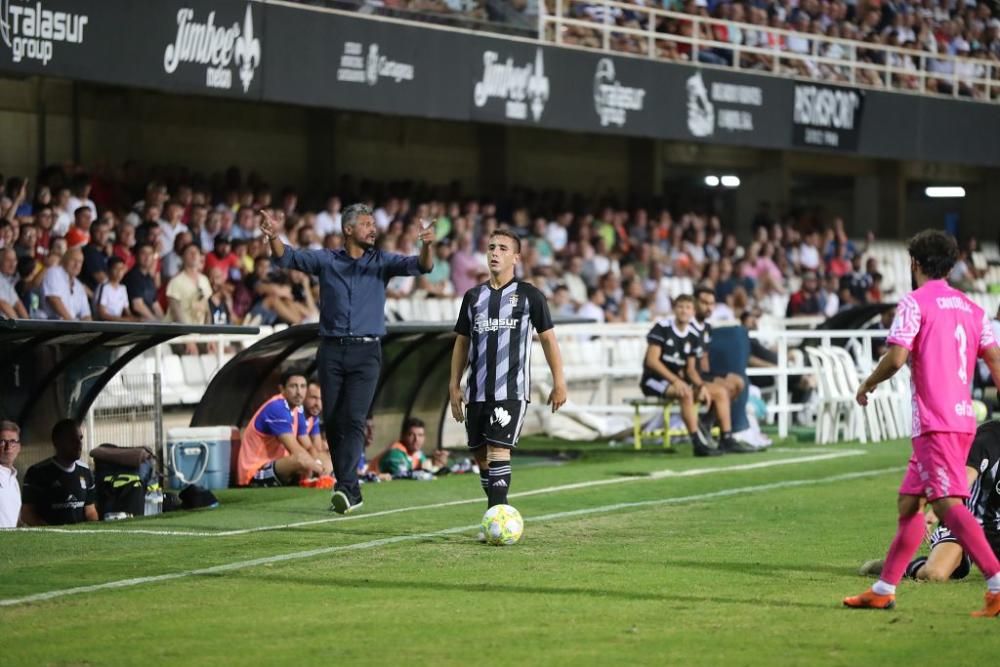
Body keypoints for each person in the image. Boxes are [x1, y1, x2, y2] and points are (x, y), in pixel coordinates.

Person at [845, 230, 1000, 616]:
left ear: (914, 264)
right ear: (950, 265)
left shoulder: (915, 303)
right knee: (908, 502)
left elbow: (897, 358)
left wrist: (868, 382)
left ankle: (997, 585)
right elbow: (994, 360)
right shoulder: (972, 307)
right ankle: (884, 588)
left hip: (936, 420)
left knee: (947, 505)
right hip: (959, 419)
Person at [261, 204, 435, 514]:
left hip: (367, 353)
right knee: (335, 421)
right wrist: (274, 236)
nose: (373, 228)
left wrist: (428, 246)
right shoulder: (327, 260)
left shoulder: (382, 261)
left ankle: (346, 488)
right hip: (331, 351)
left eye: (373, 223)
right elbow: (286, 256)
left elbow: (421, 267)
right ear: (348, 229)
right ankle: (348, 490)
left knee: (354, 420)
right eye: (367, 224)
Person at [449, 228, 567, 514]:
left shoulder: (529, 296)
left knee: (498, 450)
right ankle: (497, 510)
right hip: (477, 391)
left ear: (516, 257)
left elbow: (549, 339)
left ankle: (497, 516)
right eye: (491, 247)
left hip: (511, 390)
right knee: (480, 455)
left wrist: (559, 382)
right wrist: (454, 386)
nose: (494, 253)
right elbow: (462, 342)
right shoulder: (473, 297)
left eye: (502, 248)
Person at [861, 421, 1000, 583]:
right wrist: (935, 512)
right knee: (935, 573)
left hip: (996, 528)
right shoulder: (989, 438)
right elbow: (963, 479)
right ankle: (895, 567)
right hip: (962, 523)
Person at [639, 295, 720, 457]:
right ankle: (697, 441)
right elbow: (652, 362)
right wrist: (676, 381)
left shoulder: (693, 335)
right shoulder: (662, 328)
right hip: (653, 380)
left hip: (676, 382)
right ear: (674, 309)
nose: (684, 311)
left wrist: (701, 386)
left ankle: (722, 436)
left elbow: (690, 370)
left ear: (693, 311)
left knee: (717, 393)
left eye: (688, 307)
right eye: (680, 307)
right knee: (685, 392)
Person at [236, 370, 333, 488]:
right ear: (282, 389)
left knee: (322, 459)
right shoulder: (277, 407)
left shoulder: (298, 409)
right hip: (254, 472)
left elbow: (309, 447)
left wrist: (326, 464)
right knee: (300, 459)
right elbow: (297, 450)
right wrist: (320, 469)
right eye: (293, 386)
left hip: (276, 466)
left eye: (302, 386)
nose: (299, 392)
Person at [691, 286, 755, 453]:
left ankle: (706, 421)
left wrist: (710, 377)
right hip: (688, 375)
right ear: (694, 303)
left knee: (738, 382)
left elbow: (703, 359)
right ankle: (726, 437)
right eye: (704, 302)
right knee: (721, 390)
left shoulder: (705, 328)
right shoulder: (686, 327)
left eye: (711, 303)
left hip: (703, 373)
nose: (708, 307)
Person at [20, 419, 98, 526]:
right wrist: (49, 533)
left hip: (81, 539)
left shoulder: (86, 472)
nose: (79, 443)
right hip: (50, 539)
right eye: (72, 439)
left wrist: (93, 530)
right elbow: (27, 513)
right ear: (57, 442)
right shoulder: (37, 472)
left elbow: (90, 510)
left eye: (80, 438)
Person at [94, 256, 134, 321]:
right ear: (108, 270)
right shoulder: (103, 287)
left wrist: (135, 319)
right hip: (104, 326)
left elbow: (128, 312)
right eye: (116, 268)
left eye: (121, 269)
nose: (119, 272)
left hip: (117, 324)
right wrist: (123, 320)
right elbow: (102, 315)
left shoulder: (123, 288)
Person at [0, 420, 22, 528]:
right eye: (2, 441)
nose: (8, 447)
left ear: (19, 447)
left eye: (13, 441)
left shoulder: (14, 480)